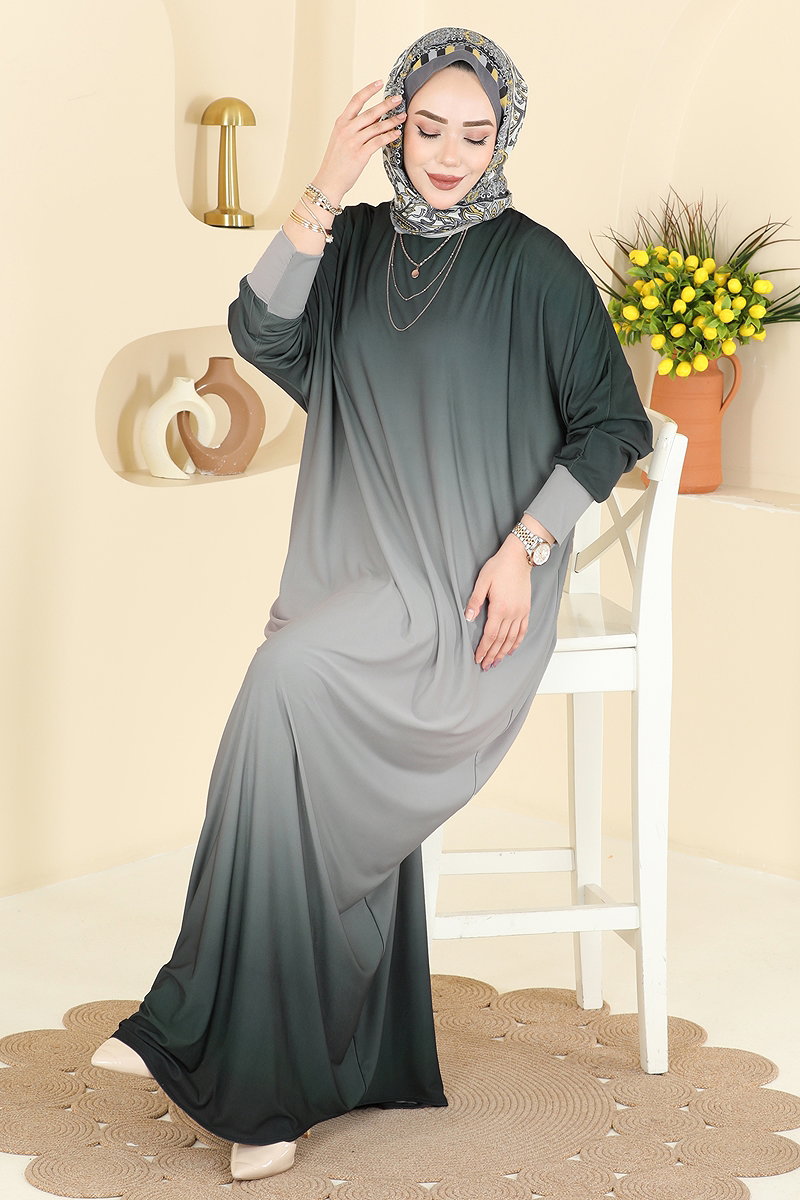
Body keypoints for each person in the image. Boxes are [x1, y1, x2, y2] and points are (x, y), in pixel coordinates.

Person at [91, 25, 654, 1184]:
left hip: (468, 596)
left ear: (503, 139)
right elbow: (260, 330)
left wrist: (525, 548)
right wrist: (324, 182)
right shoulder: (348, 244)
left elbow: (613, 424)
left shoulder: (534, 266)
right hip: (355, 578)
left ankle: (236, 1065)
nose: (448, 154)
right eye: (427, 128)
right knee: (284, 720)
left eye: (474, 134)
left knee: (282, 689)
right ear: (393, 128)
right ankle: (241, 1043)